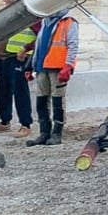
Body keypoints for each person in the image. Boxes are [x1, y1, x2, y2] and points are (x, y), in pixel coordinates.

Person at [0, 0, 35, 138]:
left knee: (20, 91)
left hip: (17, 57)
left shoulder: (29, 17)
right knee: (2, 90)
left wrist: (26, 50)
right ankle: (5, 121)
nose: (5, 1)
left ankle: (25, 124)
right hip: (1, 57)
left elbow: (42, 36)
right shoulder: (5, 15)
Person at [25, 8, 78, 146]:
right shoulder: (45, 21)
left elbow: (73, 45)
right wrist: (30, 65)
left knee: (58, 101)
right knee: (42, 101)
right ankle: (44, 133)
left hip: (58, 68)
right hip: (42, 67)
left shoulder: (69, 22)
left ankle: (56, 133)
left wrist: (68, 66)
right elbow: (39, 45)